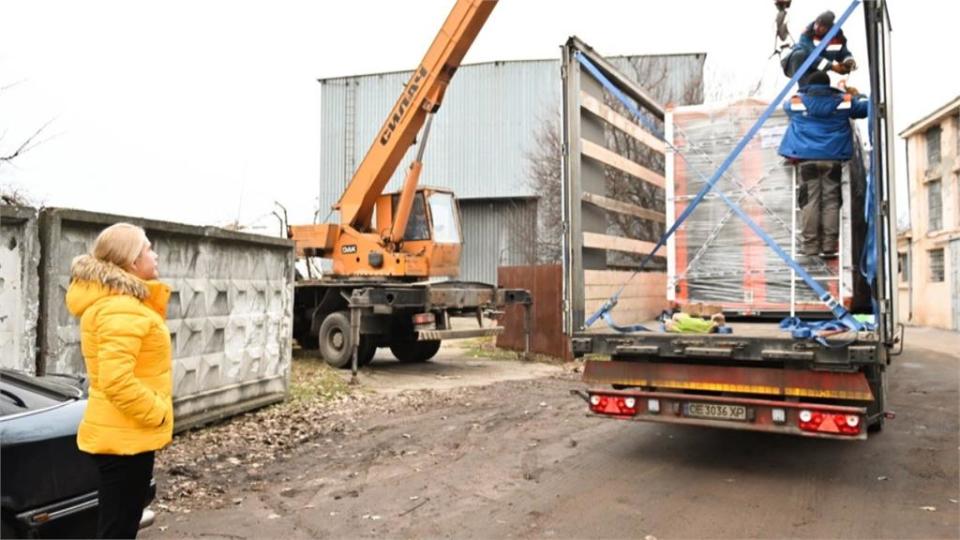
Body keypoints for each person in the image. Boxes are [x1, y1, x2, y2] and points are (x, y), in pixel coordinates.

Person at [65, 223, 172, 538]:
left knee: (120, 525)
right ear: (130, 261)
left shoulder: (122, 303)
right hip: (125, 437)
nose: (155, 255)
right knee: (117, 529)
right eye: (148, 248)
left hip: (126, 434)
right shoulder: (120, 307)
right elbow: (116, 380)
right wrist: (157, 411)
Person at [778, 70, 868, 258]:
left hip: (807, 159)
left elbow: (786, 107)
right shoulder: (843, 101)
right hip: (833, 159)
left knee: (810, 201)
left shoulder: (797, 102)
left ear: (809, 85)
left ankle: (810, 245)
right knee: (831, 202)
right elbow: (865, 109)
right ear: (828, 85)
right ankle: (829, 245)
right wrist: (855, 95)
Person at [781, 10, 856, 81]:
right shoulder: (807, 34)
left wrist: (848, 60)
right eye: (816, 24)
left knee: (820, 81)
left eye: (821, 26)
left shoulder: (836, 37)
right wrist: (832, 67)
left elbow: (843, 52)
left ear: (828, 28)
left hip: (818, 69)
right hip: (795, 65)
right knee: (800, 54)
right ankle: (806, 90)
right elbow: (811, 57)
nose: (817, 28)